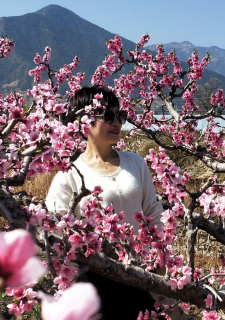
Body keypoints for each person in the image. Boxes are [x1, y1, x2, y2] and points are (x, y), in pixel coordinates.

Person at [45, 86, 164, 320]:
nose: (117, 122)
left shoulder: (136, 163)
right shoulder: (70, 172)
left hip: (141, 272)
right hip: (96, 279)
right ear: (83, 120)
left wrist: (160, 257)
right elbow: (53, 227)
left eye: (120, 115)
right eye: (108, 116)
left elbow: (153, 211)